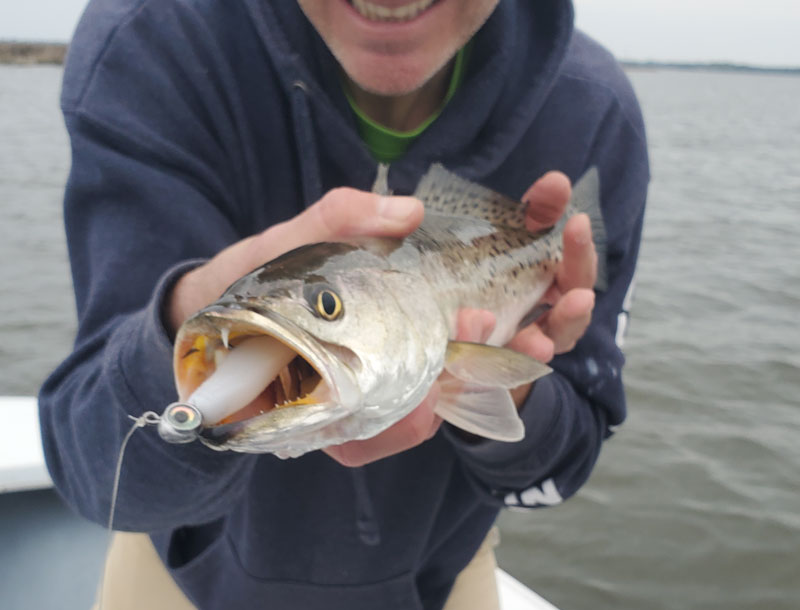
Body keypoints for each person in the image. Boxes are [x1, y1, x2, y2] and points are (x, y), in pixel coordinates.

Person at [39, 0, 649, 609]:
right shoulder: (149, 45)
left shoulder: (594, 112)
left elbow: (565, 467)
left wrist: (505, 387)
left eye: (327, 306)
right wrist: (171, 328)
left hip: (438, 578)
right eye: (328, 307)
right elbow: (99, 477)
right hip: (182, 578)